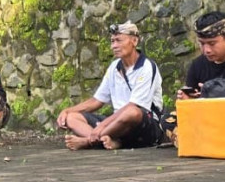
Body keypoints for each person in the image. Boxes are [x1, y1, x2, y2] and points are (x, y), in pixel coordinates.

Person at [57, 22, 165, 150]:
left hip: (144, 125)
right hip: (116, 125)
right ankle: (110, 140)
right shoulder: (114, 67)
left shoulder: (147, 66)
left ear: (134, 41)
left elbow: (134, 106)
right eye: (112, 41)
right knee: (72, 117)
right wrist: (68, 111)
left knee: (132, 112)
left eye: (119, 40)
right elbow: (97, 101)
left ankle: (89, 141)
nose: (114, 46)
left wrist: (101, 127)